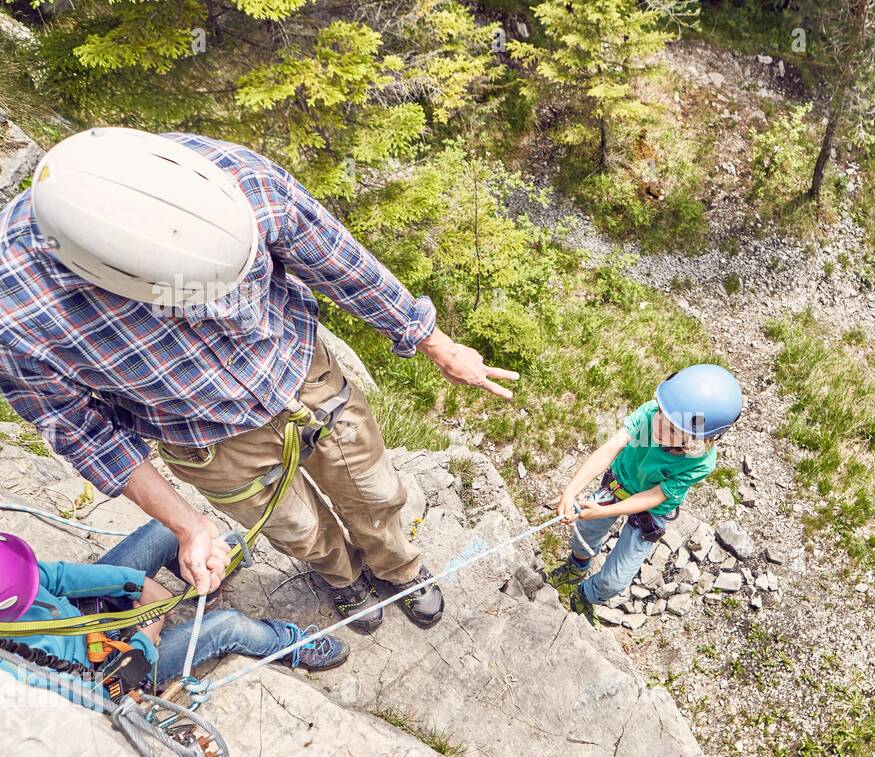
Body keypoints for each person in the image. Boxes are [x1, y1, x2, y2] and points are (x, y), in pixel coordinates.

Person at [0, 127, 519, 634]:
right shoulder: (15, 314)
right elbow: (85, 435)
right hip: (205, 437)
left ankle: (397, 569)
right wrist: (189, 524)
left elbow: (339, 263)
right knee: (296, 528)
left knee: (376, 492)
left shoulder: (238, 180)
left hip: (302, 376)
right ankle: (342, 576)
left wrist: (434, 342)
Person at [0, 522, 346, 700]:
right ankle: (286, 642)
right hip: (115, 665)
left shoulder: (13, 570)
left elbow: (58, 577)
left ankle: (202, 580)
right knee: (227, 626)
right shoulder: (13, 672)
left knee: (165, 531)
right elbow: (98, 696)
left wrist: (138, 585)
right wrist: (146, 637)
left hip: (92, 612)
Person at [550, 365, 743, 619]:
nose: (659, 425)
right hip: (620, 483)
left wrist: (604, 511)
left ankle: (587, 595)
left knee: (615, 581)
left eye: (673, 428)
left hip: (651, 510)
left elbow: (655, 496)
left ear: (698, 439)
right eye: (662, 412)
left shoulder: (700, 462)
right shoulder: (649, 415)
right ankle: (577, 565)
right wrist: (570, 491)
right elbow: (611, 448)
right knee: (583, 532)